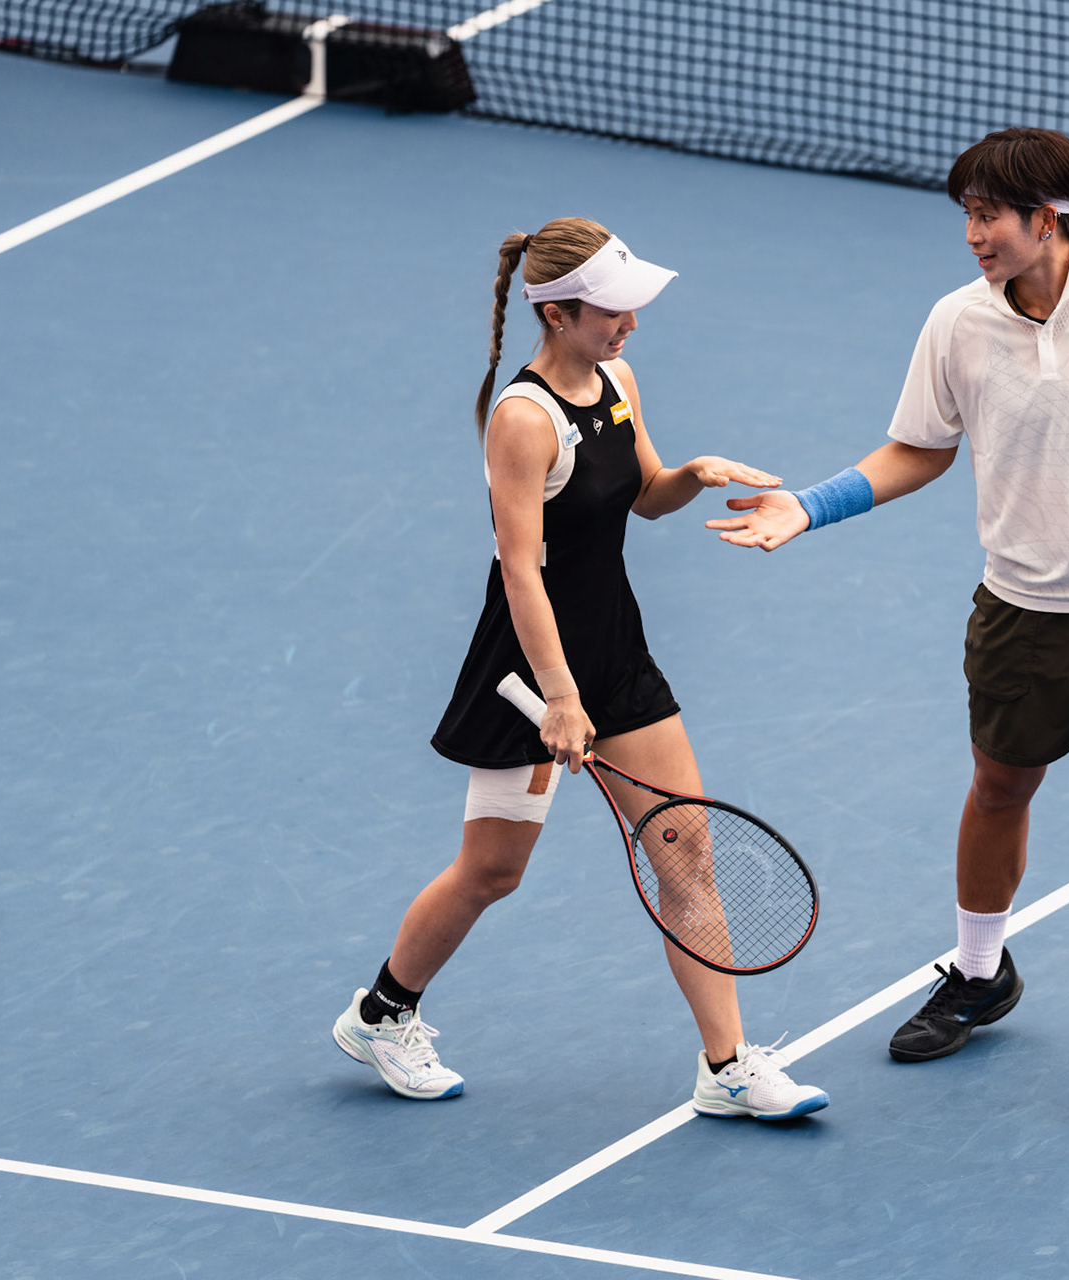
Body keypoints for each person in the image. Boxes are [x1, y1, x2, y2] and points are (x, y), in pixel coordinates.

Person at [709, 129, 1069, 1120]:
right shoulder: (956, 325)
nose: (973, 234)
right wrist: (810, 504)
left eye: (989, 215)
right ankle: (981, 972)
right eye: (966, 215)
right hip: (1025, 603)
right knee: (1000, 784)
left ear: (1052, 219)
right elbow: (916, 450)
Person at [333, 218, 829, 1122]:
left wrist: (693, 472)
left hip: (616, 653)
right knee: (493, 871)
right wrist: (558, 698)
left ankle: (726, 1066)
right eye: (613, 310)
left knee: (685, 850)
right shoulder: (522, 420)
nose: (631, 324)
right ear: (558, 313)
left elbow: (644, 496)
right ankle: (381, 1013)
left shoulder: (618, 381)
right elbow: (521, 567)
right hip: (528, 667)